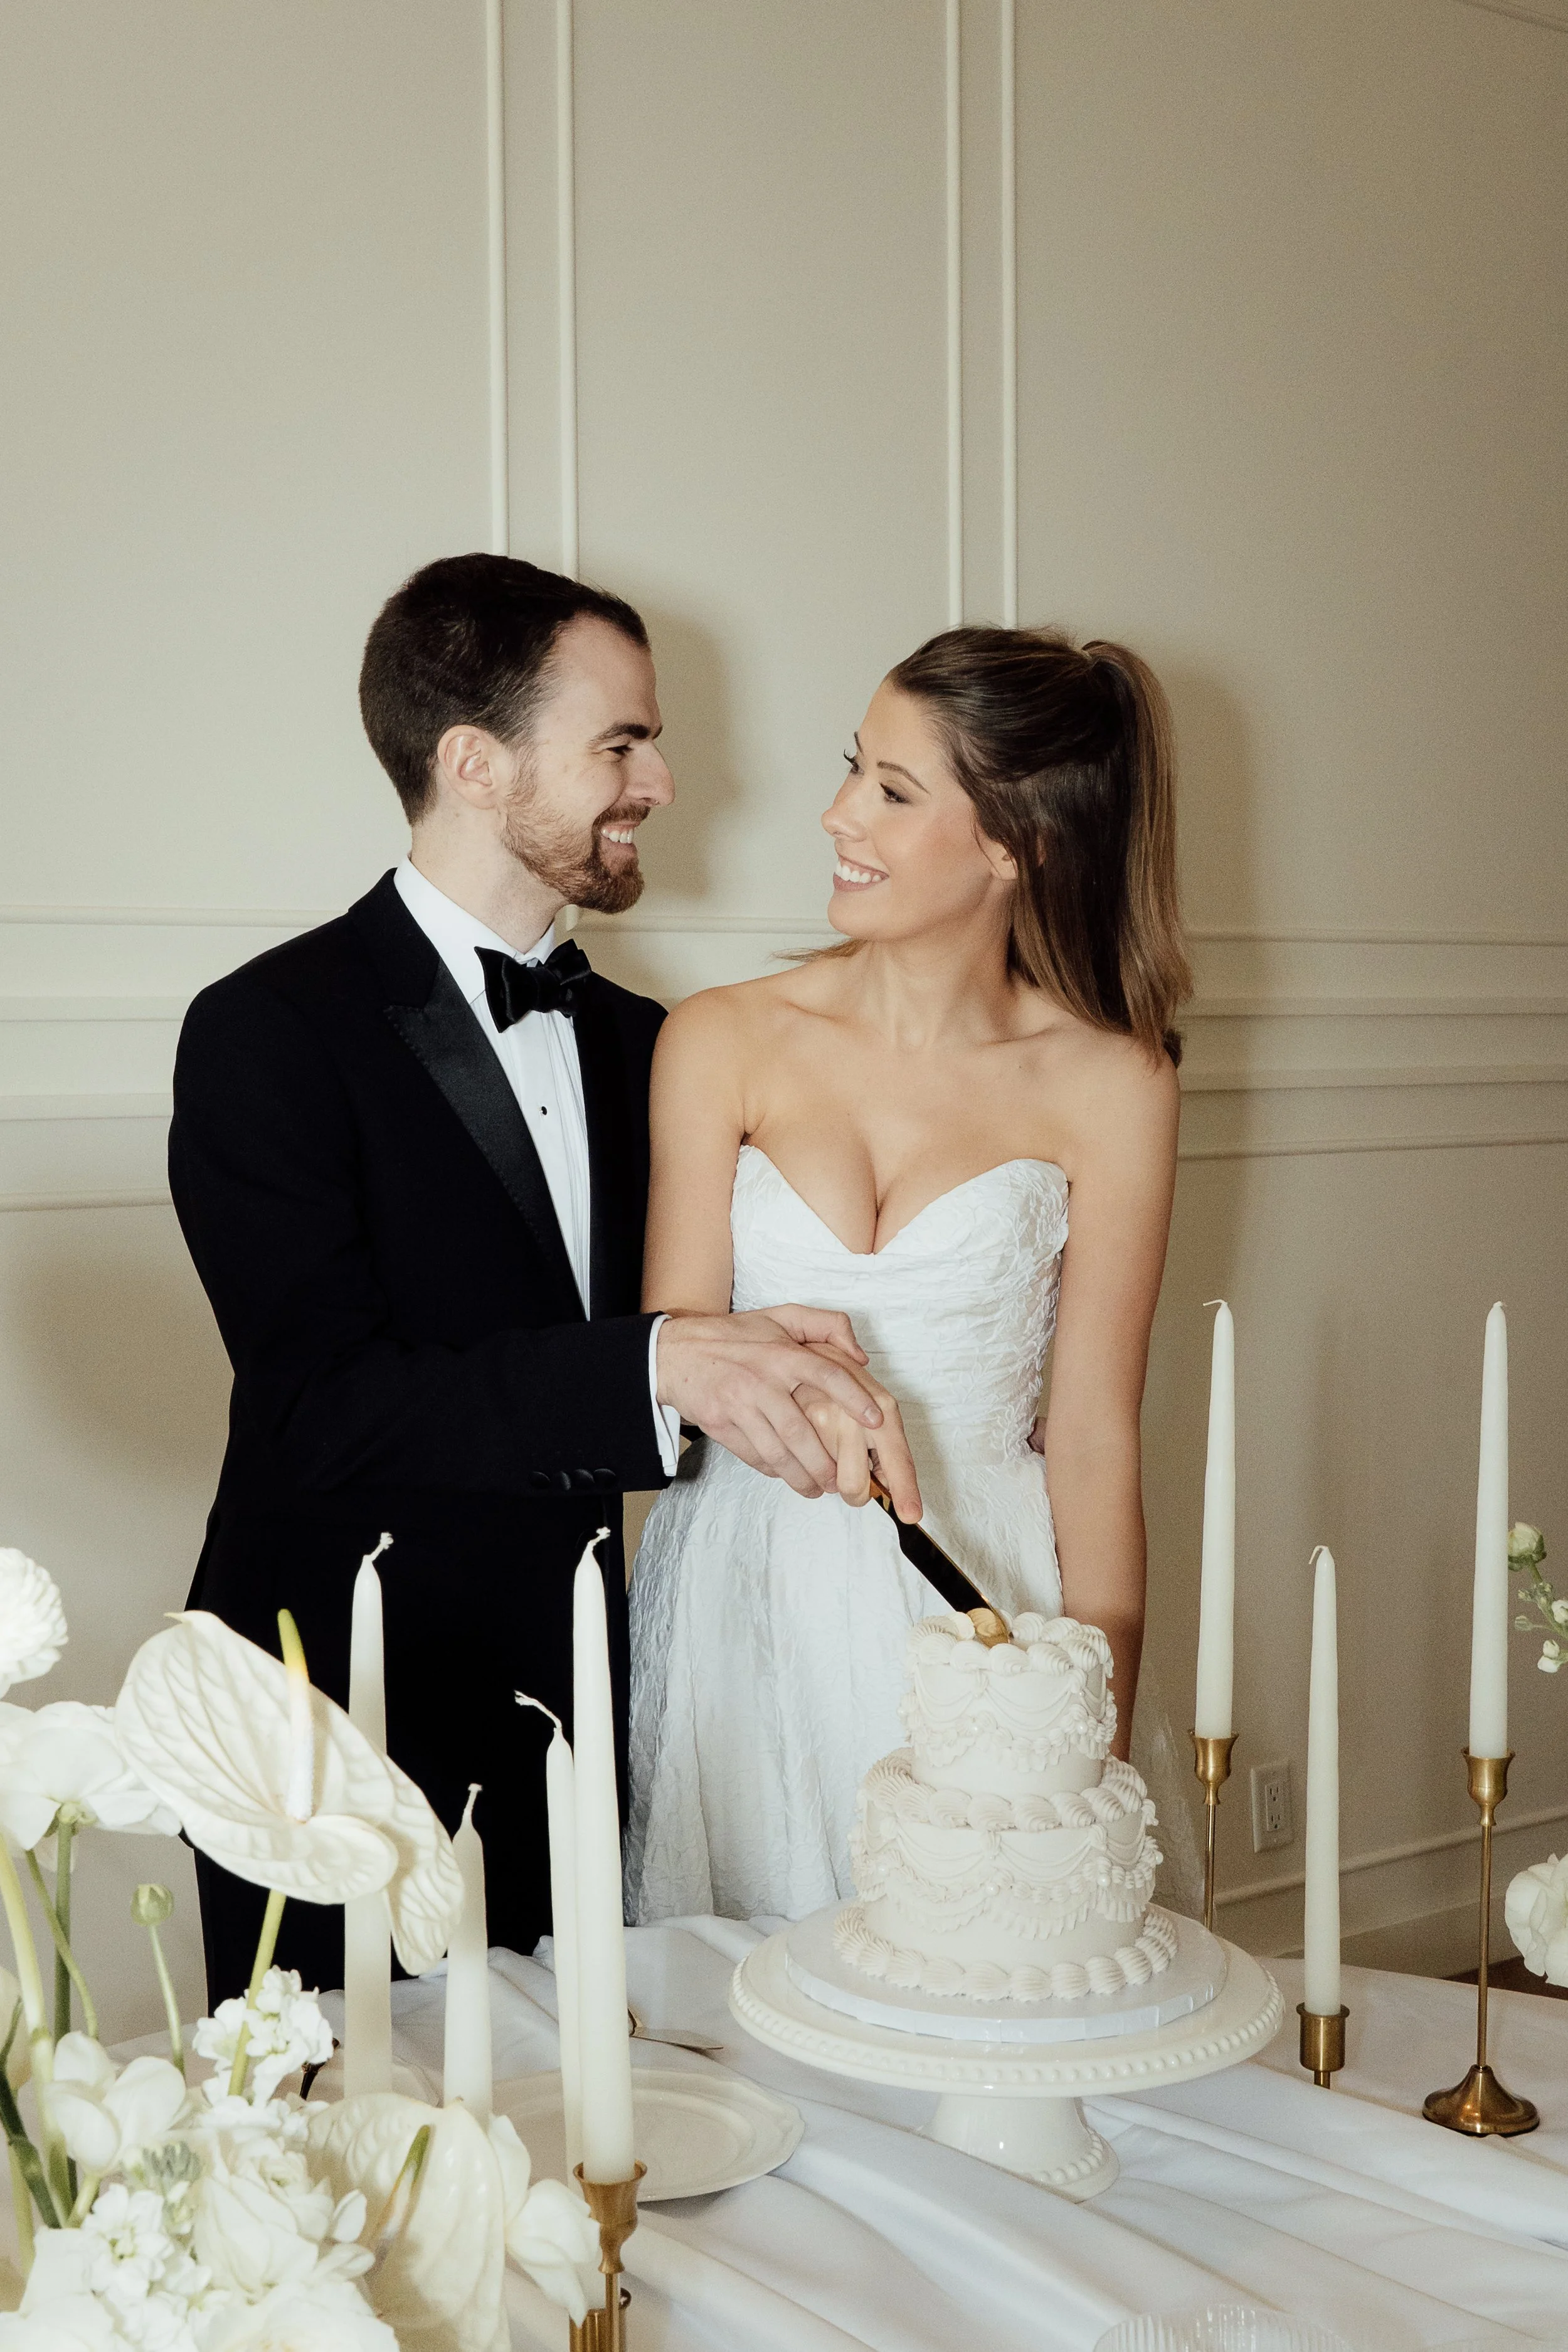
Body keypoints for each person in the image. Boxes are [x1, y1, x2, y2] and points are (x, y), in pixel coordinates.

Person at [169, 553, 918, 2001]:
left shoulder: (653, 1044)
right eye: (620, 742)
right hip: (334, 1711)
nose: (660, 782)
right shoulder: (266, 1029)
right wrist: (660, 1364)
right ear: (473, 763)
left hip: (591, 1694)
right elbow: (321, 1401)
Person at [627, 623, 1201, 1927]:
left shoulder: (1115, 1082)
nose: (837, 816)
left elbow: (1096, 1436)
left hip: (990, 1592)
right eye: (852, 771)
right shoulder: (721, 1039)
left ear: (1019, 842)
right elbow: (672, 1371)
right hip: (746, 1594)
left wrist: (1085, 1718)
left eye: (892, 790)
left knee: (994, 1978)